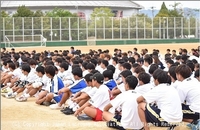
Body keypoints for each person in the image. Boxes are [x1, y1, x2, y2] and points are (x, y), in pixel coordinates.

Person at [175, 64, 200, 129]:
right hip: (197, 108)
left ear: (179, 75)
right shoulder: (194, 80)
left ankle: (196, 122)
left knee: (174, 111)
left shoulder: (182, 86)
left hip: (196, 110)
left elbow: (178, 103)